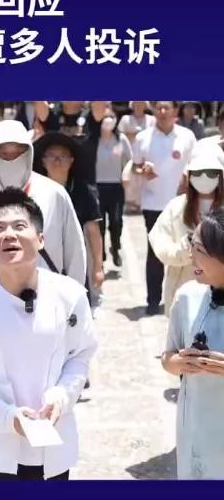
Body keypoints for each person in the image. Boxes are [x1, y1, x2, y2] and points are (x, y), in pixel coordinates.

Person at [0, 187, 97, 480]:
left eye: (19, 226)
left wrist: (61, 398)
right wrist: (7, 418)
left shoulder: (70, 295)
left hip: (54, 444)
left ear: (41, 239)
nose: (9, 235)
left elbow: (80, 356)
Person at [0, 120, 86, 295]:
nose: (11, 160)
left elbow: (75, 254)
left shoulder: (55, 194)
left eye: (17, 152)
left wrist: (75, 302)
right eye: (3, 154)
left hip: (48, 302)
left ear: (29, 154)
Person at [161, 209, 224, 479]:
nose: (190, 255)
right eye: (192, 244)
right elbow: (168, 357)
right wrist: (179, 363)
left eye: (199, 249)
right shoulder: (187, 297)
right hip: (194, 430)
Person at [132, 101, 196, 315]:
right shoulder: (142, 138)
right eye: (158, 108)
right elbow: (134, 166)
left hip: (183, 204)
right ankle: (153, 300)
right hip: (153, 203)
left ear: (175, 110)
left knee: (187, 251)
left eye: (166, 107)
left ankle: (185, 296)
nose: (162, 112)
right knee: (155, 252)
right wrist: (142, 171)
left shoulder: (187, 136)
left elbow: (194, 166)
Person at [33, 131, 104, 304]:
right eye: (51, 156)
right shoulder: (33, 190)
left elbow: (93, 230)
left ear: (71, 161)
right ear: (43, 161)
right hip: (40, 264)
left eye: (63, 156)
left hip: (75, 262)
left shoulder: (82, 191)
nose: (57, 161)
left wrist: (98, 267)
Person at [149, 154, 224, 316]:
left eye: (211, 173)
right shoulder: (175, 207)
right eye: (198, 173)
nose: (204, 177)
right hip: (182, 291)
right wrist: (186, 248)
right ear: (189, 176)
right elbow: (160, 243)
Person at [95, 112, 133, 267]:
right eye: (105, 119)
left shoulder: (121, 139)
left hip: (116, 186)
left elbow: (130, 160)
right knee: (100, 224)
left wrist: (126, 174)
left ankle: (116, 248)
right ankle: (101, 253)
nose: (108, 122)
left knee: (116, 221)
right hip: (97, 186)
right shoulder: (94, 140)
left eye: (110, 118)